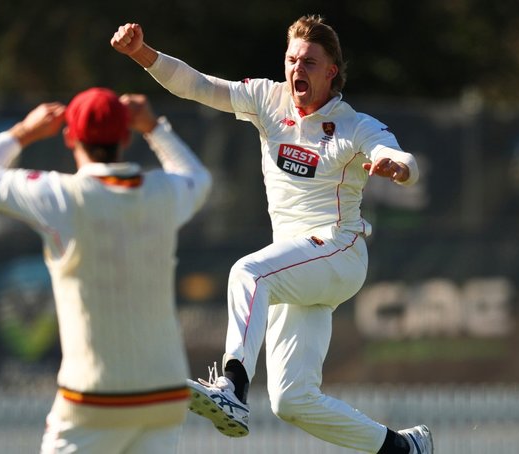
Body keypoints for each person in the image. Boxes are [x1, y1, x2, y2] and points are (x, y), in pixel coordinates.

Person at [112, 15, 432, 454]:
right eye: (292, 59)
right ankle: (401, 448)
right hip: (297, 265)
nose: (297, 68)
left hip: (339, 252)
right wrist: (141, 55)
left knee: (249, 272)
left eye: (309, 62)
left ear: (330, 72)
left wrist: (399, 168)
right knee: (292, 400)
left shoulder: (354, 124)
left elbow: (398, 155)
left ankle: (232, 386)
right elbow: (198, 85)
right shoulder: (268, 98)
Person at [0, 88, 212, 453]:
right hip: (163, 395)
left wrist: (22, 133)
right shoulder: (163, 192)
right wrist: (154, 127)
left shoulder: (60, 196)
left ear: (70, 136)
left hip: (94, 399)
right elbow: (198, 177)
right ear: (125, 136)